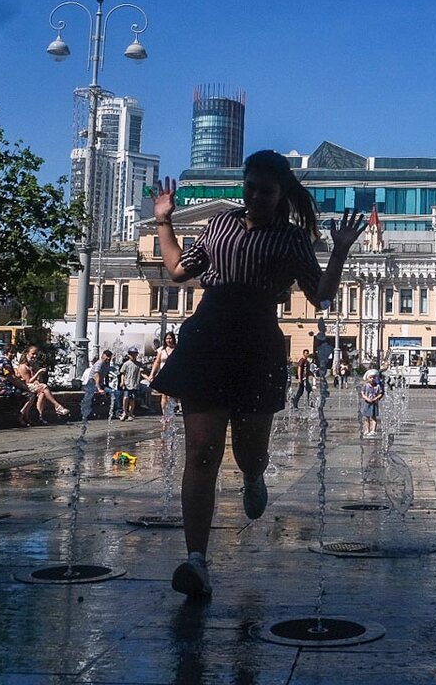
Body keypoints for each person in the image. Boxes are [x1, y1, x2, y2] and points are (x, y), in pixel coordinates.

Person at [149, 150, 364, 597]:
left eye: (265, 191)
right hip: (208, 336)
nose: (256, 197)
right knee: (202, 451)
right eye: (250, 188)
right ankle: (196, 561)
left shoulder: (291, 240)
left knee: (249, 451)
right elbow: (176, 271)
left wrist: (340, 251)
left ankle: (252, 475)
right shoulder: (221, 224)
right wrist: (164, 221)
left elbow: (321, 295)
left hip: (257, 343)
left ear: (282, 194)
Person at [18, 346, 71, 421]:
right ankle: (57, 405)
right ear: (27, 354)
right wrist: (38, 373)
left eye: (36, 354)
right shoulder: (23, 367)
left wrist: (38, 376)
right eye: (33, 354)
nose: (35, 356)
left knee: (42, 393)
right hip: (25, 386)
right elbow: (28, 381)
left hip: (33, 386)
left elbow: (38, 380)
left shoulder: (33, 366)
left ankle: (39, 416)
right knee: (44, 386)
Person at [0, 346, 35, 427]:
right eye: (11, 353)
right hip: (3, 387)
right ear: (6, 353)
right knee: (30, 395)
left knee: (22, 393)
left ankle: (24, 416)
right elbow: (12, 378)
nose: (13, 355)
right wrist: (24, 386)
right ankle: (21, 416)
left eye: (14, 353)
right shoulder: (6, 362)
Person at [150, 332, 178, 417]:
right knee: (164, 395)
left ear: (173, 339)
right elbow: (157, 362)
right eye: (167, 339)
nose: (169, 340)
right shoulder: (161, 350)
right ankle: (164, 413)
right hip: (163, 374)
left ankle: (170, 412)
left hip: (173, 374)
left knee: (170, 394)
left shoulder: (177, 349)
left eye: (170, 338)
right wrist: (152, 374)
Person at [119, 347, 146, 421]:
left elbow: (142, 373)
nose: (133, 355)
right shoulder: (126, 364)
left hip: (135, 384)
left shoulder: (139, 364)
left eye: (134, 354)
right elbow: (123, 374)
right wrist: (122, 382)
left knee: (132, 399)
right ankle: (124, 412)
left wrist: (148, 378)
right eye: (131, 354)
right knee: (125, 398)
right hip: (127, 383)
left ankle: (130, 413)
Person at [360, 368, 383, 437]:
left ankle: (373, 430)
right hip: (367, 403)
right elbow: (362, 393)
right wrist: (367, 398)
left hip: (374, 403)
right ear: (367, 378)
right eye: (370, 377)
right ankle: (367, 430)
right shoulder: (365, 386)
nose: (372, 379)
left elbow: (381, 394)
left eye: (374, 377)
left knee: (373, 417)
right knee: (366, 417)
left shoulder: (377, 386)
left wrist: (376, 398)